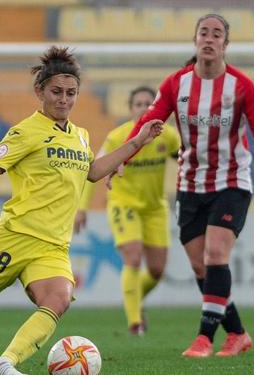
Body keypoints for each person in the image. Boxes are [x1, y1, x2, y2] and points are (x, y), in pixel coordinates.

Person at [0, 46, 164, 375]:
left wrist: (136, 142)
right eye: (56, 92)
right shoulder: (23, 132)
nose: (64, 99)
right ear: (39, 91)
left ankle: (4, 365)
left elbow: (93, 172)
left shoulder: (81, 136)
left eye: (71, 93)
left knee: (57, 300)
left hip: (53, 245)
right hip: (13, 237)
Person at [127, 13, 254, 358]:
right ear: (195, 41)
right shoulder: (177, 84)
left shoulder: (242, 86)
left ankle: (204, 338)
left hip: (232, 181)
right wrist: (122, 159)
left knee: (216, 254)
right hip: (191, 183)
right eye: (203, 33)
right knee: (201, 267)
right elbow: (149, 122)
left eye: (216, 34)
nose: (209, 38)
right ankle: (237, 333)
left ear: (225, 44)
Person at [73, 85, 181, 336]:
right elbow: (94, 171)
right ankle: (135, 323)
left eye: (148, 104)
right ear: (131, 109)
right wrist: (82, 208)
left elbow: (187, 162)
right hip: (124, 204)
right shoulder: (117, 137)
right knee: (132, 257)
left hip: (155, 208)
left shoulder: (169, 136)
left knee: (156, 270)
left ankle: (133, 298)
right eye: (139, 104)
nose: (144, 108)